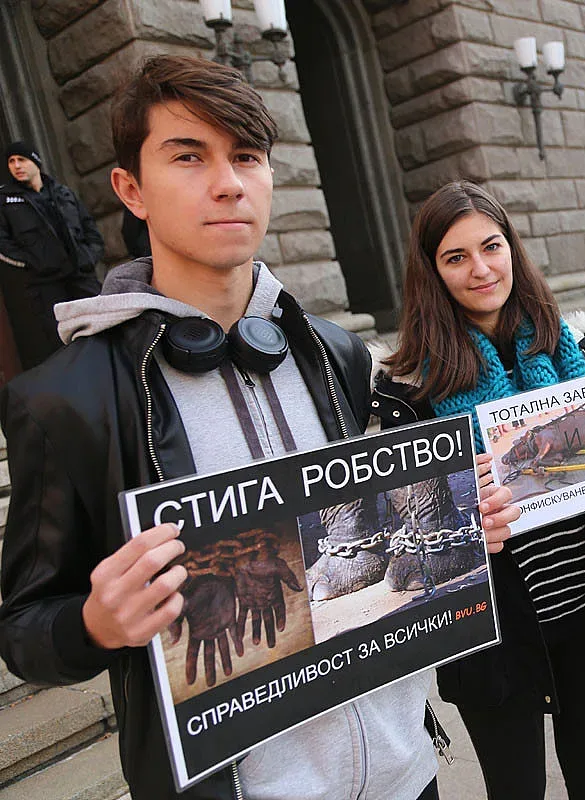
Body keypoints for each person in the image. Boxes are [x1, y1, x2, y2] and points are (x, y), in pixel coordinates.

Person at [0, 56, 519, 800]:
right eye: (188, 156)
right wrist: (94, 623)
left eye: (246, 157)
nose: (227, 183)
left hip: (407, 771)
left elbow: (367, 533)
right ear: (130, 190)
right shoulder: (65, 402)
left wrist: (466, 522)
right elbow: (23, 628)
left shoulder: (339, 353)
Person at [374, 180, 585, 800]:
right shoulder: (405, 389)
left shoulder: (573, 347)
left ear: (512, 247)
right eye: (455, 257)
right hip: (494, 632)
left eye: (491, 247)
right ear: (431, 272)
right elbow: (402, 537)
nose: (481, 269)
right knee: (516, 788)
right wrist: (465, 510)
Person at [0, 140, 103, 370]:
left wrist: (89, 257)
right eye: (11, 161)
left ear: (36, 162)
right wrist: (31, 265)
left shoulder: (63, 192)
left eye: (22, 160)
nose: (16, 166)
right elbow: (3, 245)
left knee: (102, 329)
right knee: (61, 348)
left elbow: (90, 230)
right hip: (45, 286)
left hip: (80, 276)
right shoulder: (5, 200)